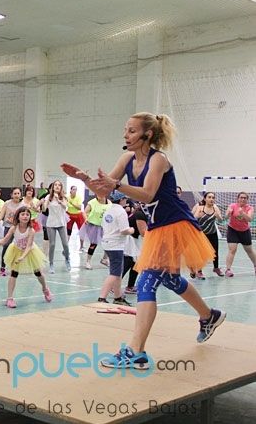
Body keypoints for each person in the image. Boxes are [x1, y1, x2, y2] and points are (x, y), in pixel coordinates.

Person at [62, 111, 225, 369]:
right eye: (125, 130)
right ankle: (209, 315)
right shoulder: (127, 158)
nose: (126, 135)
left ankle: (136, 351)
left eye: (132, 131)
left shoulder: (159, 160)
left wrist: (115, 184)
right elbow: (105, 190)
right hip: (158, 228)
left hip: (176, 225)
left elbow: (147, 194)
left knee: (147, 281)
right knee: (169, 279)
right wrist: (85, 179)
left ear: (147, 134)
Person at [0, 206, 52, 307]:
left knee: (38, 273)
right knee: (13, 274)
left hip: (30, 252)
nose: (25, 216)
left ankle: (45, 289)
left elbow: (29, 246)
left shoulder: (31, 230)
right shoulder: (14, 228)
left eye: (27, 214)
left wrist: (23, 256)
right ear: (18, 216)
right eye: (23, 214)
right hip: (16, 250)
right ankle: (10, 298)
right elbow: (4, 240)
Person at [96, 192, 133, 305]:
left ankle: (118, 297)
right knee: (114, 273)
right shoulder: (121, 212)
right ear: (121, 200)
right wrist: (132, 230)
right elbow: (124, 230)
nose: (126, 201)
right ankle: (102, 297)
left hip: (107, 242)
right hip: (116, 245)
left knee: (118, 272)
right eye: (125, 198)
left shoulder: (108, 210)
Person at [190, 192, 223, 278]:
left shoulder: (215, 208)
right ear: (205, 199)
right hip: (201, 234)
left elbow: (221, 220)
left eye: (213, 197)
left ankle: (216, 268)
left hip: (212, 233)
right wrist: (198, 216)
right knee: (201, 253)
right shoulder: (200, 208)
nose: (211, 199)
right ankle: (199, 271)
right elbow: (192, 219)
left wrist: (218, 216)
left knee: (215, 251)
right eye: (209, 197)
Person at [223, 192, 256, 277]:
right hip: (233, 230)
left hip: (244, 231)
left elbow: (250, 219)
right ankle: (228, 270)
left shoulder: (250, 208)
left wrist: (243, 213)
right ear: (238, 198)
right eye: (241, 197)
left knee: (249, 250)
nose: (243, 199)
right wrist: (228, 213)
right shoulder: (232, 206)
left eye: (245, 198)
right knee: (232, 249)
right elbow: (225, 217)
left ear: (247, 200)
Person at [42, 180, 71, 273]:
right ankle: (51, 264)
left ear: (61, 187)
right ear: (53, 187)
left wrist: (59, 200)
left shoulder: (64, 197)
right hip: (51, 224)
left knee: (65, 244)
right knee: (52, 244)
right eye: (55, 185)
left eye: (59, 185)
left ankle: (67, 259)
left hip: (61, 223)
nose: (57, 186)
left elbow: (65, 207)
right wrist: (44, 203)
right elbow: (44, 209)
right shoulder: (48, 197)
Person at [66, 185, 86, 251]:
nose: (75, 191)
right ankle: (66, 246)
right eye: (73, 189)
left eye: (76, 189)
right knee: (68, 230)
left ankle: (81, 246)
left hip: (78, 215)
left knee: (81, 230)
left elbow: (79, 207)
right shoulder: (67, 197)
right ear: (70, 190)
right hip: (69, 214)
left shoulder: (78, 197)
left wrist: (72, 203)